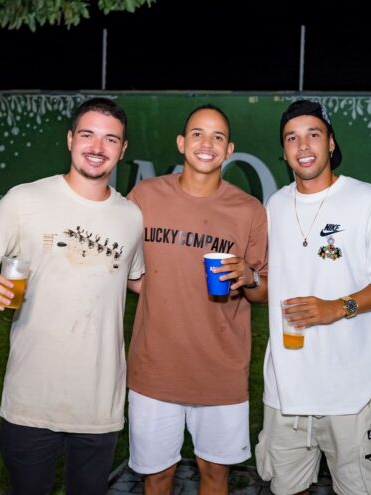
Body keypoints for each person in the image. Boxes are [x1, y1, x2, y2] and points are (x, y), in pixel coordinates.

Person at [0, 97, 144, 495]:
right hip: (31, 398)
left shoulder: (131, 216)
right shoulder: (25, 200)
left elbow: (137, 280)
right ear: (70, 139)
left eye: (110, 139)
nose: (97, 147)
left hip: (99, 403)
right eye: (88, 135)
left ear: (123, 149)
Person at [255, 99, 371, 495]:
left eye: (313, 134)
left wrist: (337, 308)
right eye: (292, 137)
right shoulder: (274, 206)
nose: (303, 145)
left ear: (331, 143)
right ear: (284, 149)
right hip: (285, 390)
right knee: (285, 489)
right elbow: (272, 281)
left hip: (351, 391)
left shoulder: (366, 200)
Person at [125, 105, 268, 495]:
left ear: (229, 149)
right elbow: (120, 263)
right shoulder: (144, 196)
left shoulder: (249, 210)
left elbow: (263, 291)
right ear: (181, 143)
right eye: (198, 134)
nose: (208, 144)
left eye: (218, 137)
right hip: (154, 369)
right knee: (156, 476)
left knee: (214, 474)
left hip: (220, 371)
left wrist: (249, 276)